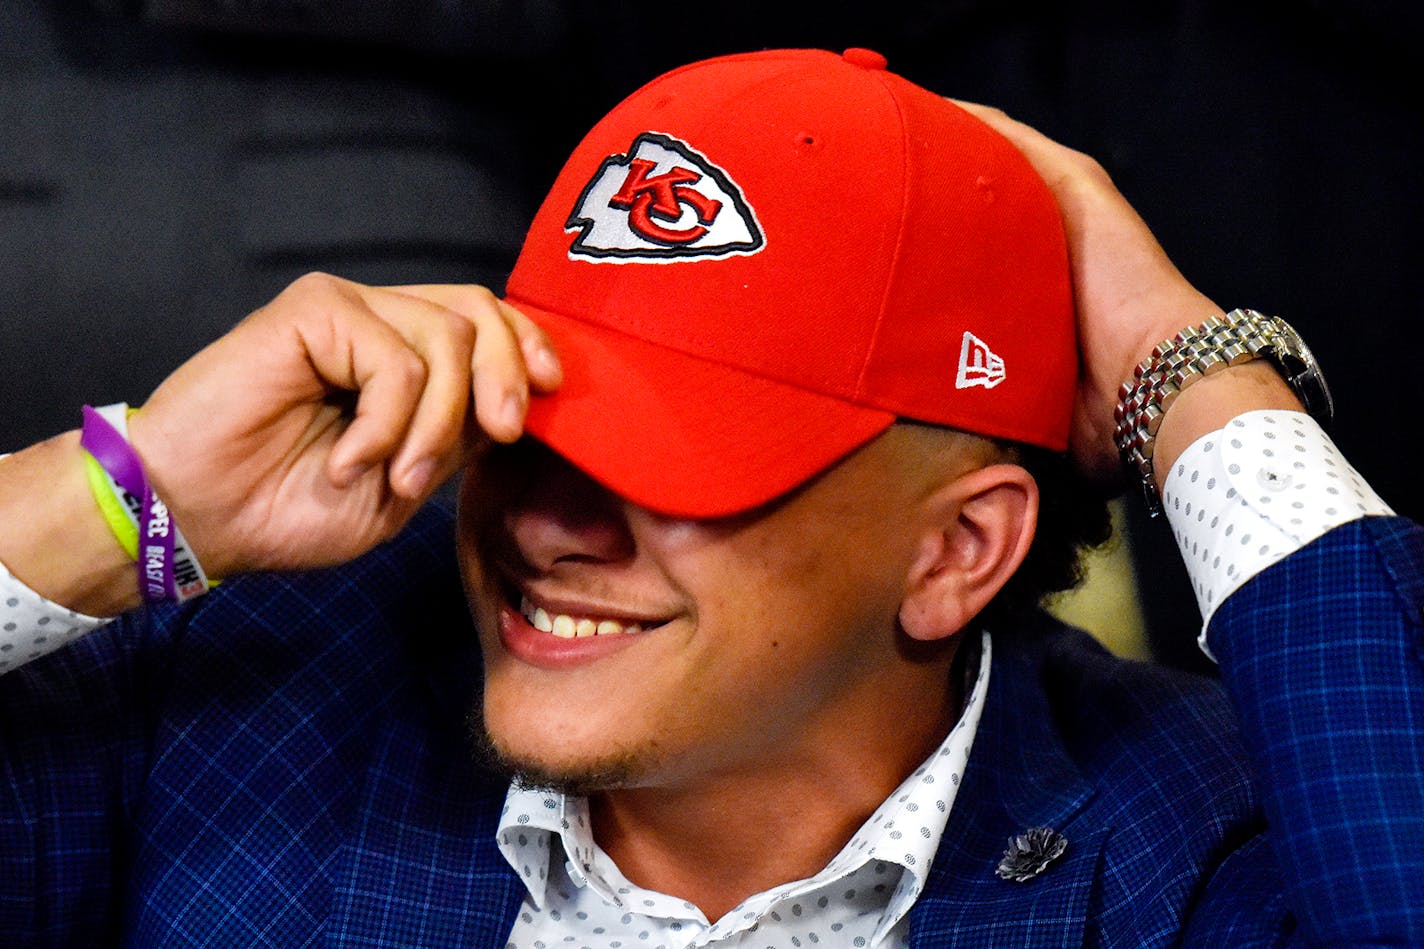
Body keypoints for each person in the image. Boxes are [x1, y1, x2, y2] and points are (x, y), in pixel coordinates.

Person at [1, 47, 1420, 946]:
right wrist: (120, 492)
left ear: (957, 549)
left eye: (677, 461)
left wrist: (1191, 371)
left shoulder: (1203, 826)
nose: (548, 524)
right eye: (533, 417)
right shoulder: (268, 692)